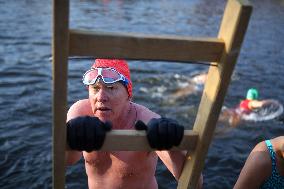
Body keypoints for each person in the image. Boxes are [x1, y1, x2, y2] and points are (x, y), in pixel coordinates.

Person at [65, 59, 203, 189]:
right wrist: (71, 135)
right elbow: (67, 160)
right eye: (95, 88)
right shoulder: (80, 112)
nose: (100, 97)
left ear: (129, 95)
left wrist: (173, 147)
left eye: (111, 88)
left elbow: (195, 184)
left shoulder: (146, 122)